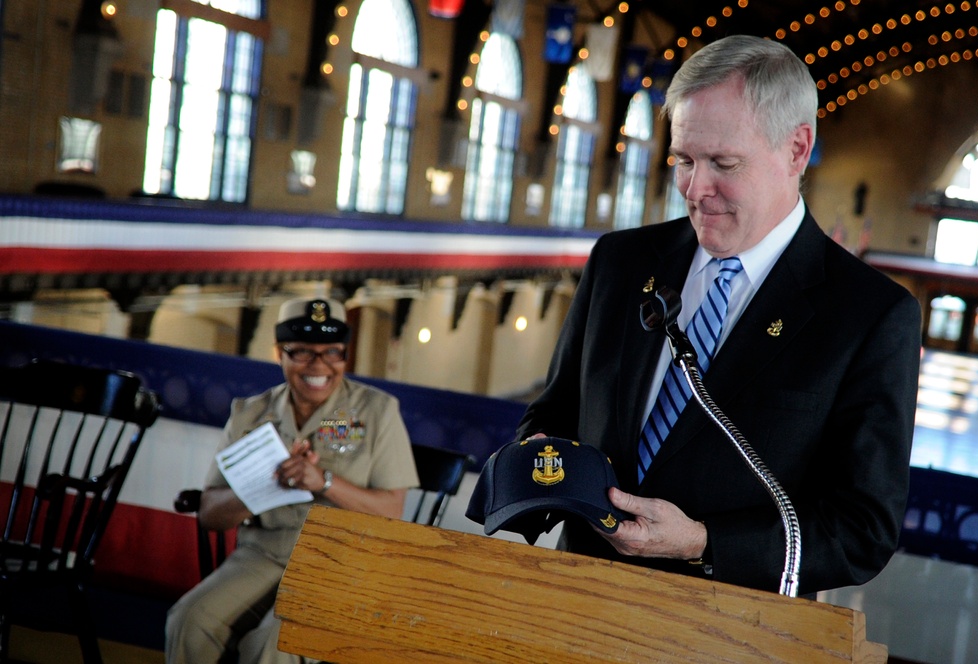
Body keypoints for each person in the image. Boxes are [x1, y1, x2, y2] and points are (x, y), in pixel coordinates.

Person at [517, 34, 922, 595]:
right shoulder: (620, 260)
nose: (695, 188)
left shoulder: (871, 316)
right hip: (577, 596)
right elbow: (557, 409)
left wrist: (703, 543)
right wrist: (539, 456)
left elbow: (861, 532)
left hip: (728, 628)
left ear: (797, 150)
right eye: (683, 160)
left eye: (723, 163)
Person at [166, 296, 419, 664]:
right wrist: (267, 483)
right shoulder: (249, 414)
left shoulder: (376, 411)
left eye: (333, 352)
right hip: (264, 552)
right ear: (279, 353)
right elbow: (210, 516)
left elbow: (392, 510)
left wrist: (324, 481)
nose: (320, 365)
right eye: (302, 352)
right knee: (189, 621)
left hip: (339, 561)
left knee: (272, 646)